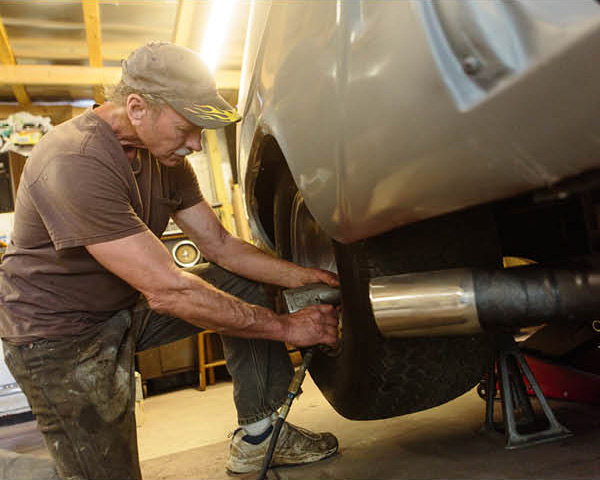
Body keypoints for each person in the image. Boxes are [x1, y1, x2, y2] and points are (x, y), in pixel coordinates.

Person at [0, 42, 340, 480]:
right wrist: (286, 327)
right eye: (186, 127)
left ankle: (259, 436)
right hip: (58, 336)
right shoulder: (74, 159)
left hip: (121, 308)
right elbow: (168, 289)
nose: (196, 143)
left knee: (239, 282)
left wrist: (303, 276)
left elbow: (220, 245)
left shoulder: (163, 156)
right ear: (138, 107)